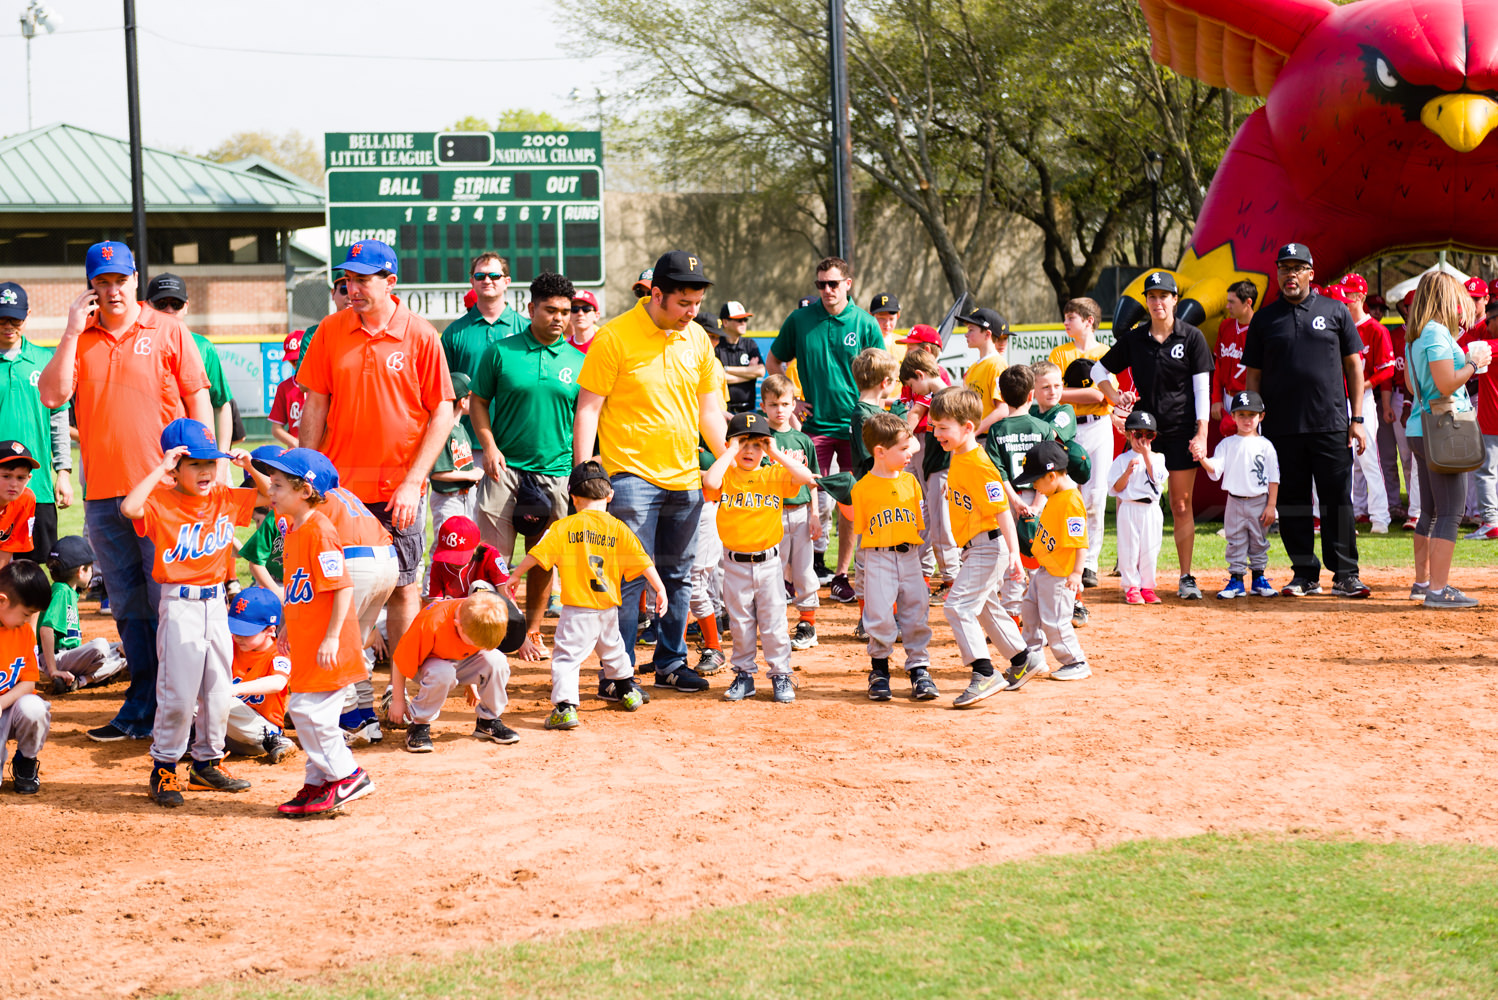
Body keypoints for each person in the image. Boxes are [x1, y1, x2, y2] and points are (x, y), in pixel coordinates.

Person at [37, 240, 213, 744]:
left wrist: (206, 473)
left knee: (169, 601)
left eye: (120, 280)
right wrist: (71, 330)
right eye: (102, 282)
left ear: (136, 279)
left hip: (162, 491)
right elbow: (53, 395)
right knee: (128, 604)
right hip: (104, 495)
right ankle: (142, 701)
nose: (112, 290)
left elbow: (197, 400)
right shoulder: (82, 337)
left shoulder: (168, 329)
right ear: (90, 286)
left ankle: (181, 706)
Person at [573, 250, 728, 693]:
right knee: (628, 577)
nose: (692, 313)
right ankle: (616, 672)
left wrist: (729, 460)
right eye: (683, 304)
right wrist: (585, 474)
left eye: (697, 304)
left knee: (679, 575)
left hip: (685, 478)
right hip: (629, 479)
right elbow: (588, 408)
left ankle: (670, 662)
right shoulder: (614, 337)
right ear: (657, 294)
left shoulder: (697, 339)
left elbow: (710, 412)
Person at [296, 239, 456, 653]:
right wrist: (305, 476)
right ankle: (341, 684)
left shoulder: (420, 334)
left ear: (390, 282)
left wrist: (413, 481)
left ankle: (399, 685)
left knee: (403, 587)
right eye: (348, 280)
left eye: (363, 280)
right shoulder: (330, 331)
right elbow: (315, 404)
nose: (353, 289)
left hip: (397, 488)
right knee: (335, 584)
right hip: (339, 489)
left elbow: (442, 413)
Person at [121, 418, 266, 806]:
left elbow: (272, 499)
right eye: (195, 463)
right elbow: (129, 507)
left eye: (210, 463)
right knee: (179, 695)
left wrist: (249, 469)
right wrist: (160, 469)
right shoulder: (162, 499)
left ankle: (206, 763)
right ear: (176, 465)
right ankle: (165, 766)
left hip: (216, 602)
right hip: (180, 604)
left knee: (219, 690)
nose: (205, 471)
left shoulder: (223, 495)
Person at [1243, 243, 1371, 598]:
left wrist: (1356, 418)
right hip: (1282, 428)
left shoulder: (1335, 311)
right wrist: (1254, 420)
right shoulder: (1265, 319)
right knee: (1293, 502)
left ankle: (1346, 573)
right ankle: (1304, 573)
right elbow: (1253, 374)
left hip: (1330, 424)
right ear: (1278, 273)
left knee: (1337, 501)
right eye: (1284, 268)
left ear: (1311, 273)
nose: (1291, 275)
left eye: (1298, 268)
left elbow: (1354, 366)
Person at [254, 448, 375, 818]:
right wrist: (289, 625)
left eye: (278, 485)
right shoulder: (293, 529)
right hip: (307, 644)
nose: (269, 491)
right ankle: (320, 780)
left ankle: (348, 776)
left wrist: (333, 637)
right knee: (307, 712)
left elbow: (342, 588)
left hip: (329, 646)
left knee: (309, 713)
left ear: (305, 490)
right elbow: (298, 588)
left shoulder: (320, 530)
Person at [470, 272, 584, 660]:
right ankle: (496, 630)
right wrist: (489, 446)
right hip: (504, 471)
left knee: (543, 558)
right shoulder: (501, 352)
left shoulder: (579, 362)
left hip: (556, 473)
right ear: (531, 308)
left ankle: (532, 630)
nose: (559, 318)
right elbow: (478, 401)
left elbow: (586, 419)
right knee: (491, 557)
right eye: (551, 310)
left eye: (566, 312)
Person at [509, 461, 664, 729]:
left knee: (567, 657)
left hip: (577, 610)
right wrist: (659, 588)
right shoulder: (618, 528)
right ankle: (627, 691)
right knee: (613, 649)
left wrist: (514, 576)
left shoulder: (564, 527)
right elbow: (644, 560)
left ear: (573, 497)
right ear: (609, 495)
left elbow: (537, 554)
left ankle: (565, 708)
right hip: (607, 608)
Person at [766, 257, 885, 605]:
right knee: (800, 497)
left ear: (848, 283)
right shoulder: (801, 320)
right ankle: (791, 577)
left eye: (833, 284)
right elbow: (775, 362)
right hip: (812, 426)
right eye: (821, 284)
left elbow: (880, 372)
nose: (827, 291)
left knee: (851, 500)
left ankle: (841, 575)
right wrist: (792, 400)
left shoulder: (864, 322)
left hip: (856, 424)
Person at [1092, 270, 1214, 600]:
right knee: (1134, 500)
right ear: (1146, 302)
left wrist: (1201, 433)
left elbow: (1202, 389)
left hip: (1181, 432)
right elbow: (1097, 370)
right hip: (1144, 432)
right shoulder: (1135, 338)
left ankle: (1186, 576)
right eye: (1152, 296)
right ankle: (1136, 577)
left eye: (1164, 296)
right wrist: (1115, 398)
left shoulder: (1191, 337)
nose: (1157, 301)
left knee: (1179, 503)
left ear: (1176, 300)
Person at [928, 387, 1043, 709]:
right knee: (985, 605)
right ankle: (1023, 659)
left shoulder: (978, 462)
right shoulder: (961, 456)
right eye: (934, 427)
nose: (937, 433)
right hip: (976, 548)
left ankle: (984, 672)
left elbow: (1001, 511)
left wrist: (1013, 556)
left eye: (944, 427)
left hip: (988, 546)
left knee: (957, 607)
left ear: (967, 428)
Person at [702, 412, 818, 703]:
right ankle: (744, 675)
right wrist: (730, 448)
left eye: (757, 444)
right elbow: (711, 481)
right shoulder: (727, 475)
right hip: (734, 564)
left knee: (774, 623)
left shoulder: (773, 474)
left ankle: (780, 674)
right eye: (744, 443)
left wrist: (775, 451)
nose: (749, 451)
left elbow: (807, 478)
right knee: (740, 623)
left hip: (768, 564)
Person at [1402, 271, 1490, 609]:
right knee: (1452, 511)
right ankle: (1438, 590)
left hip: (1420, 428)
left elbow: (1413, 386)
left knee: (1431, 511)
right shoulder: (1436, 333)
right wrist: (1472, 362)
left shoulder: (1414, 336)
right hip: (1443, 430)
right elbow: (1445, 383)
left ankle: (1424, 583)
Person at [841, 411, 937, 702]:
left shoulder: (911, 482)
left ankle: (919, 669)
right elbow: (860, 529)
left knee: (916, 613)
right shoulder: (862, 488)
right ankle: (879, 670)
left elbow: (918, 524)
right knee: (880, 615)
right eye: (904, 449)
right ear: (880, 452)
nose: (910, 453)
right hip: (878, 557)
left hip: (910, 556)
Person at [0, 282, 73, 565]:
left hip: (37, 485)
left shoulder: (46, 360)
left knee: (35, 570)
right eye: (2, 318)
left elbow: (58, 419)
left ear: (27, 315)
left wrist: (63, 472)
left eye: (15, 318)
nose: (8, 325)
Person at [387, 591, 515, 752]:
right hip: (430, 665)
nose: (478, 646)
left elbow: (476, 649)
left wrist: (471, 683)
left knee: (497, 661)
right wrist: (398, 700)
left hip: (460, 661)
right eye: (475, 642)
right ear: (457, 624)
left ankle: (488, 720)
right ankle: (419, 725)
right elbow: (399, 660)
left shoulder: (479, 616)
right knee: (443, 672)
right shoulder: (431, 622)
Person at [1010, 441, 1091, 684]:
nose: (1034, 485)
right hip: (1044, 572)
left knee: (1055, 621)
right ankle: (1033, 659)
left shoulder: (1071, 501)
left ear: (1052, 475)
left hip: (1060, 576)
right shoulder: (1055, 495)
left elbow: (1080, 542)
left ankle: (1075, 661)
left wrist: (1076, 574)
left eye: (1036, 479)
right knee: (1030, 612)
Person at [1049, 298, 1112, 589]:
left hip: (1100, 427)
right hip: (1069, 428)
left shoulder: (1105, 353)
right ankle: (1069, 555)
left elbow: (1105, 397)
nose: (1065, 322)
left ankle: (1089, 563)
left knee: (1096, 498)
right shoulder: (1060, 354)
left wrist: (1071, 393)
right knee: (1069, 496)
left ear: (1088, 321)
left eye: (1071, 317)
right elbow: (1054, 394)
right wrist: (1088, 394)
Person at [985, 365, 1056, 617]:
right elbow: (1050, 469)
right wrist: (1037, 503)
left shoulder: (996, 430)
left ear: (1002, 398)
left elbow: (998, 471)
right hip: (1039, 498)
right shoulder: (1042, 427)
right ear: (1031, 396)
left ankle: (1012, 617)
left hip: (1007, 502)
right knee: (1040, 558)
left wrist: (1014, 501)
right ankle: (1042, 615)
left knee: (1011, 559)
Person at [1199, 390, 1280, 599]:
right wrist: (1201, 458)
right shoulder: (1227, 444)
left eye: (1251, 415)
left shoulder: (1266, 446)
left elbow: (1273, 478)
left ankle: (1259, 578)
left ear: (1261, 417)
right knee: (1235, 540)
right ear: (1232, 416)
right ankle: (1236, 580)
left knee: (1259, 540)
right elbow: (1215, 469)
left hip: (1259, 501)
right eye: (1241, 414)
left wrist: (1271, 505)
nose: (1246, 420)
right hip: (1234, 500)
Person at [145, 274, 235, 461]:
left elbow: (221, 404)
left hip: (192, 452)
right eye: (161, 304)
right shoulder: (140, 345)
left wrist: (221, 459)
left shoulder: (203, 347)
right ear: (148, 305)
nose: (169, 310)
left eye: (176, 304)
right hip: (150, 449)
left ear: (186, 306)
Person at [762, 375, 821, 651]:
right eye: (773, 404)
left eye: (785, 403)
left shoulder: (801, 440)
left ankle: (807, 623)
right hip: (771, 514)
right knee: (772, 570)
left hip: (800, 513)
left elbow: (813, 481)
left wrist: (816, 514)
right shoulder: (761, 440)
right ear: (763, 406)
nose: (780, 410)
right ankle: (775, 623)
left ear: (794, 404)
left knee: (804, 569)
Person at [1335, 275, 1394, 533]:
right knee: (1342, 461)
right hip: (1338, 400)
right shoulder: (1338, 325)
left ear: (1360, 297)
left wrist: (1364, 385)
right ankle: (1350, 516)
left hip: (1364, 399)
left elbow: (1387, 369)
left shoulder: (1376, 329)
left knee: (1368, 458)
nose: (1345, 299)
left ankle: (1380, 518)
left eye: (1349, 294)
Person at [901, 350, 961, 596]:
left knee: (941, 523)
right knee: (935, 521)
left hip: (945, 466)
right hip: (936, 464)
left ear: (920, 374)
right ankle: (949, 577)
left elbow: (962, 438)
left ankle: (952, 580)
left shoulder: (946, 397)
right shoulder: (940, 395)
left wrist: (956, 471)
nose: (913, 390)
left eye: (912, 385)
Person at [39, 535, 125, 693]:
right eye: (90, 567)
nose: (92, 571)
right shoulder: (61, 592)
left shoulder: (69, 592)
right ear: (81, 571)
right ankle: (73, 678)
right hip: (57, 659)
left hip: (69, 657)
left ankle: (80, 681)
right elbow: (46, 629)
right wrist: (52, 671)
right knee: (100, 646)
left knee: (127, 650)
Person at [224, 587, 298, 763]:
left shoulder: (279, 652)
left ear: (270, 630)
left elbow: (278, 682)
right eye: (235, 629)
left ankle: (279, 741)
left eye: (246, 632)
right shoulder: (231, 646)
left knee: (220, 698)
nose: (237, 636)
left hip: (261, 736)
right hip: (225, 736)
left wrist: (232, 689)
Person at [0, 560, 54, 794]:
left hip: (9, 707)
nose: (28, 620)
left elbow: (29, 681)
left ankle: (25, 760)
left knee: (35, 709)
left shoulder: (22, 633)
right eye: (26, 613)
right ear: (2, 601)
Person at [1110, 410, 1168, 605]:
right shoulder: (1121, 460)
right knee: (1129, 549)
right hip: (1129, 507)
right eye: (1138, 434)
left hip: (1151, 508)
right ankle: (1131, 586)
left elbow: (1158, 479)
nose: (1143, 439)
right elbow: (1115, 489)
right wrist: (1126, 474)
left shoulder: (1158, 457)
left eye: (1148, 435)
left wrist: (1146, 455)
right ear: (1128, 434)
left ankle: (1147, 586)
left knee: (1150, 549)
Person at [441, 252, 527, 382]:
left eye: (494, 276)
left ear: (506, 281)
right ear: (472, 282)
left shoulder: (526, 329)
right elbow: (443, 386)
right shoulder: (453, 334)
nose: (487, 281)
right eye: (480, 276)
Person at [427, 371, 482, 534]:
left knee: (466, 544)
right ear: (462, 401)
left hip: (465, 496)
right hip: (448, 500)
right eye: (471, 395)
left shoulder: (461, 428)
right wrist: (470, 475)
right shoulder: (443, 430)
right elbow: (437, 474)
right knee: (447, 544)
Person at [1463, 302, 1498, 540]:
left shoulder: (1489, 345)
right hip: (1489, 416)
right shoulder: (1486, 335)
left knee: (1485, 471)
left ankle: (1491, 522)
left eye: (1489, 321)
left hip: (1492, 418)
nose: (1485, 326)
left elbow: (1463, 350)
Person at [425, 515, 511, 602]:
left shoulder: (490, 554)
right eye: (449, 556)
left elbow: (506, 593)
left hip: (489, 609)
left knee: (478, 586)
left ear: (475, 547)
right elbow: (436, 603)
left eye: (459, 556)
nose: (454, 562)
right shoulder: (438, 564)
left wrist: (515, 614)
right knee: (445, 603)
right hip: (456, 611)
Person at [1211, 282, 1257, 424]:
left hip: (1249, 400)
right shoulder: (1225, 326)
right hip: (1227, 398)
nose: (1227, 306)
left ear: (1248, 302)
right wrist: (1216, 399)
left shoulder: (1260, 329)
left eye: (1232, 302)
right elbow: (1218, 364)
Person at [959, 307, 1011, 433]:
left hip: (988, 438)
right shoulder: (973, 367)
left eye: (971, 330)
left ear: (987, 334)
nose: (966, 334)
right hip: (975, 437)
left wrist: (974, 432)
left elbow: (1003, 409)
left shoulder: (997, 364)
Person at [716, 301, 765, 413]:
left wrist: (727, 369)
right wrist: (749, 374)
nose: (744, 323)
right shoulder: (717, 346)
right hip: (724, 411)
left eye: (745, 319)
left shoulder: (749, 344)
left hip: (749, 410)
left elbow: (761, 371)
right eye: (739, 320)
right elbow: (717, 378)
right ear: (725, 322)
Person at [0, 441, 38, 569]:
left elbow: (7, 548)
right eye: (6, 476)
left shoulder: (25, 500)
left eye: (20, 478)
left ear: (29, 478)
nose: (14, 484)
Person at [268, 331, 307, 448]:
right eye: (293, 359)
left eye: (299, 357)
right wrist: (295, 443)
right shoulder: (285, 387)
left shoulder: (325, 384)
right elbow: (276, 429)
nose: (296, 361)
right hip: (296, 453)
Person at [869, 292, 904, 357]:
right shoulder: (866, 341)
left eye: (891, 319)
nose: (887, 324)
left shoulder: (904, 343)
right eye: (881, 318)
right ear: (871, 316)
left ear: (898, 316)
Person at [569, 289, 600, 354]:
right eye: (575, 309)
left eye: (586, 309)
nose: (580, 313)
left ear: (596, 316)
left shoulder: (604, 343)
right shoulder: (564, 347)